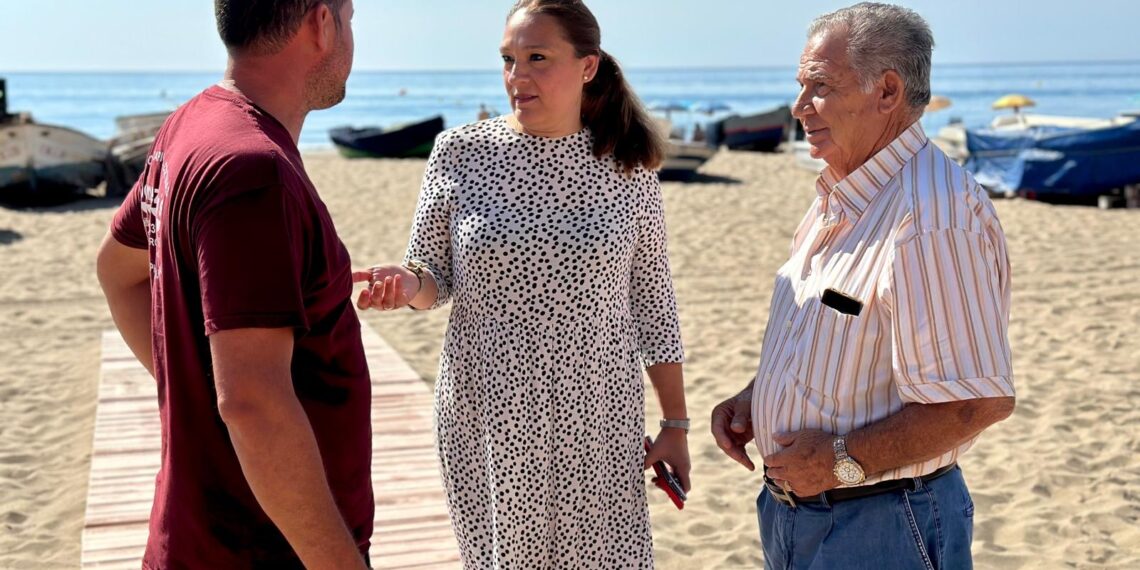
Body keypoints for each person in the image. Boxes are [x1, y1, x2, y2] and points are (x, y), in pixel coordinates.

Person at [355, 0, 689, 567]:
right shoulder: (459, 152)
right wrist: (407, 284)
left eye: (537, 58)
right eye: (508, 59)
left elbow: (653, 304)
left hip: (598, 418)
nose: (517, 76)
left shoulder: (628, 167)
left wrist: (675, 424)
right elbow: (433, 275)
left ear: (588, 66)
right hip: (488, 413)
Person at [710, 4, 1015, 569]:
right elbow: (836, 336)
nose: (799, 106)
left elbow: (975, 400)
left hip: (883, 523)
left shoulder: (933, 216)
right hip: (802, 515)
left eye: (820, 86)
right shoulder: (841, 194)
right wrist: (758, 397)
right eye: (801, 86)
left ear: (888, 91)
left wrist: (838, 461)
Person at [95, 1, 371, 568]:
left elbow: (116, 271)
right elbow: (251, 402)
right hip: (264, 549)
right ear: (321, 24)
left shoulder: (190, 123)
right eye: (349, 17)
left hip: (199, 534)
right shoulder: (254, 172)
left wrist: (192, 388)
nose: (351, 37)